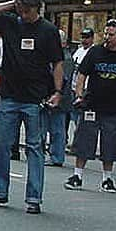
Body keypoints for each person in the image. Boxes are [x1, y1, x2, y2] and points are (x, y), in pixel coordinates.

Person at [0, 0, 64, 214]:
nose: (23, 15)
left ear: (37, 9)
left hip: (35, 98)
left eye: (27, 11)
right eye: (21, 10)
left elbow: (57, 63)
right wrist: (10, 4)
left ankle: (33, 198)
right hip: (9, 96)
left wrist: (57, 91)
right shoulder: (10, 23)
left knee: (35, 148)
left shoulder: (49, 31)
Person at [64, 19, 116, 193]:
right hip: (91, 105)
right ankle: (77, 175)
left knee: (110, 145)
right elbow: (82, 74)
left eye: (111, 34)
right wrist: (78, 95)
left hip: (113, 109)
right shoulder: (95, 52)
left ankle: (107, 179)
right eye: (106, 33)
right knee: (84, 141)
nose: (107, 37)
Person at [44, 29, 73, 167]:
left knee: (57, 130)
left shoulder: (65, 59)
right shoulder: (55, 57)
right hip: (53, 97)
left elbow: (63, 80)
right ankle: (53, 154)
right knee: (52, 128)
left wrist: (56, 94)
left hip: (60, 99)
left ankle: (57, 156)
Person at [65, 27, 95, 149]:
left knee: (80, 118)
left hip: (85, 88)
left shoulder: (93, 52)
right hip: (73, 87)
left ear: (92, 38)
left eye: (87, 37)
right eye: (83, 37)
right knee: (72, 116)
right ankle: (71, 141)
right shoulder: (78, 51)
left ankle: (79, 144)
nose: (84, 40)